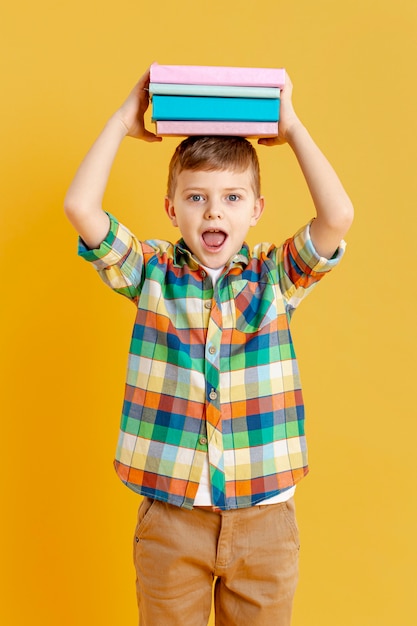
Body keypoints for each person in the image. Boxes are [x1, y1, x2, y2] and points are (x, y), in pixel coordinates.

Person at [64, 66, 354, 626]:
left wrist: (291, 128)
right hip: (173, 520)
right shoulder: (151, 272)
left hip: (264, 521)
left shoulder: (274, 278)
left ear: (255, 211)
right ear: (173, 210)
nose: (214, 211)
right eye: (196, 197)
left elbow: (337, 216)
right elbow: (81, 208)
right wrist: (122, 121)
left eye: (231, 197)